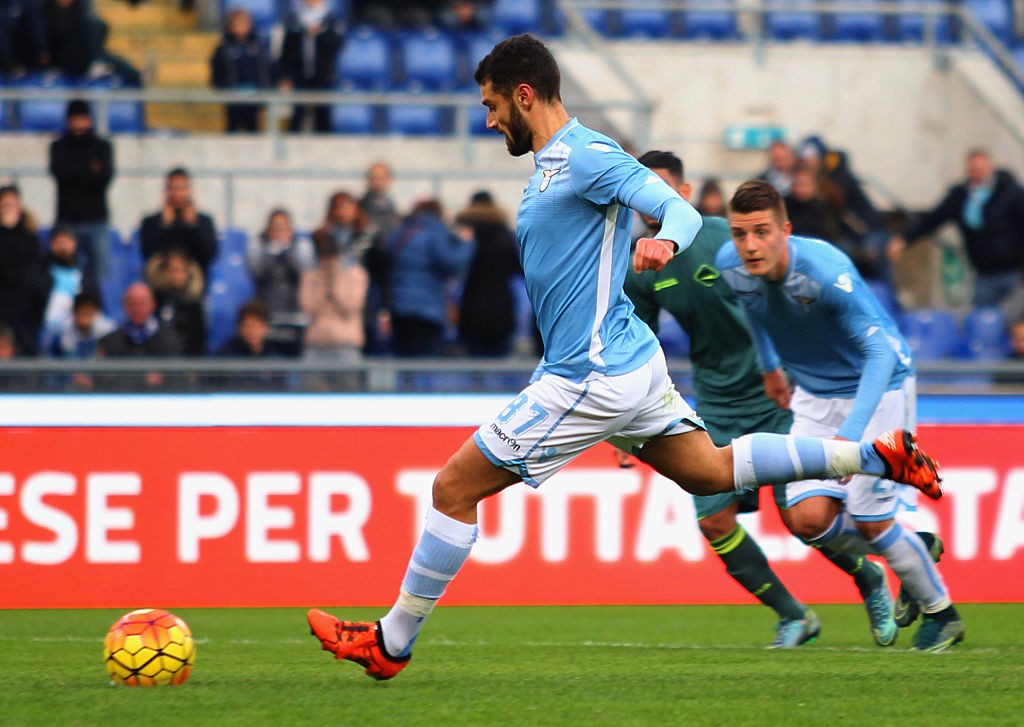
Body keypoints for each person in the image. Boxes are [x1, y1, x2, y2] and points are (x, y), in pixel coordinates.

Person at [306, 34, 943, 680]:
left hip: (590, 374)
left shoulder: (588, 155)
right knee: (711, 471)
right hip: (624, 363)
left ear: (525, 95)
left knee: (452, 487)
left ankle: (391, 642)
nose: (490, 118)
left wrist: (664, 240)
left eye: (494, 104)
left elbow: (679, 211)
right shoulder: (554, 163)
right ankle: (869, 456)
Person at [624, 150, 896, 648]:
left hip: (774, 392)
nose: (651, 203)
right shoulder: (639, 262)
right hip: (715, 400)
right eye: (642, 192)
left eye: (661, 191)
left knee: (801, 518)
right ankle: (793, 615)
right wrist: (627, 419)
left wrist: (785, 367)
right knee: (714, 520)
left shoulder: (723, 240)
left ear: (684, 195)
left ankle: (869, 576)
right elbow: (635, 340)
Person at [716, 178, 963, 653]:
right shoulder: (731, 266)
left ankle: (942, 615)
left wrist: (848, 441)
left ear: (785, 230)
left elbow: (879, 352)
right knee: (806, 519)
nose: (749, 245)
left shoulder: (825, 272)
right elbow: (755, 313)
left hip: (880, 389)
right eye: (740, 233)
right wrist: (770, 367)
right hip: (812, 393)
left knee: (872, 523)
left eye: (762, 232)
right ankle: (916, 548)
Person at [888, 149, 1024, 308]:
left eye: (980, 169)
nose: (977, 174)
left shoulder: (1010, 192)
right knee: (982, 321)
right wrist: (904, 238)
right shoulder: (961, 197)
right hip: (983, 273)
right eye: (973, 170)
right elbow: (933, 218)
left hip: (1013, 273)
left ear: (990, 168)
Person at [386, 199, 473, 357]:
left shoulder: (399, 233)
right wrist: (466, 244)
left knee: (403, 359)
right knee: (423, 360)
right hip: (427, 308)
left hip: (398, 306)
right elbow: (452, 264)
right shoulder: (435, 234)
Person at [797, 135, 889, 281]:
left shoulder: (837, 179)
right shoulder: (804, 186)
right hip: (845, 235)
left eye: (812, 157)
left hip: (866, 230)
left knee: (875, 262)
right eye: (805, 158)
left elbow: (841, 207)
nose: (809, 162)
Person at [48, 98, 114, 283]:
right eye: (74, 118)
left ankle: (98, 310)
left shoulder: (102, 146)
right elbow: (60, 173)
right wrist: (88, 168)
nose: (78, 123)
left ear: (89, 120)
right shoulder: (58, 146)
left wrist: (75, 170)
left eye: (81, 118)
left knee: (100, 277)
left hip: (97, 221)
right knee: (63, 273)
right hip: (67, 222)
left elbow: (105, 177)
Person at [454, 190, 522, 357]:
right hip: (501, 307)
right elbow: (520, 268)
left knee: (475, 365)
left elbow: (455, 267)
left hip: (472, 306)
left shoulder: (465, 236)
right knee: (499, 364)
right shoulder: (506, 236)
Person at [298, 235, 368, 387]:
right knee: (309, 393)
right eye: (324, 257)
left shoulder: (355, 275)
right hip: (316, 346)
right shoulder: (311, 277)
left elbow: (350, 307)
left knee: (349, 394)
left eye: (332, 256)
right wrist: (323, 283)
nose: (328, 262)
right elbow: (309, 308)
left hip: (346, 346)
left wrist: (336, 281)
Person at [247, 207, 315, 355]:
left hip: (296, 317)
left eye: (284, 228)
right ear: (268, 230)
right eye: (275, 228)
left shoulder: (302, 247)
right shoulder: (258, 246)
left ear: (291, 231)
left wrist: (287, 253)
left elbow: (305, 275)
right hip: (269, 317)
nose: (279, 233)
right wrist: (271, 254)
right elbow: (256, 274)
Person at [96, 281, 184, 390]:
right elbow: (102, 380)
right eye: (132, 304)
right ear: (124, 306)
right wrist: (141, 380)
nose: (137, 309)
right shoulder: (109, 342)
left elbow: (178, 380)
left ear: (153, 305)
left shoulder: (170, 341)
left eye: (142, 303)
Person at [276, 0, 345, 133]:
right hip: (299, 75)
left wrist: (320, 33)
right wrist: (285, 75)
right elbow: (287, 51)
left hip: (323, 75)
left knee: (323, 115)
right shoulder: (294, 18)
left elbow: (337, 45)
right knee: (297, 115)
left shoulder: (331, 18)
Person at [139, 168, 219, 281]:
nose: (178, 193)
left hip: (193, 283)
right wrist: (164, 227)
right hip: (160, 281)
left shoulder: (203, 222)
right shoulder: (151, 222)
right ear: (166, 191)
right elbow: (149, 255)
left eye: (182, 188)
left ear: (190, 191)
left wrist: (193, 227)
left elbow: (209, 255)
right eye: (174, 188)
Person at [0, 185, 51, 356]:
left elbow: (32, 270)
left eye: (12, 205)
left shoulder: (30, 238)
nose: (9, 210)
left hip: (25, 309)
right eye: (5, 205)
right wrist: (6, 231)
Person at [210, 7, 274, 133]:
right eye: (237, 24)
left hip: (254, 91)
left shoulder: (257, 44)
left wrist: (267, 86)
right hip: (233, 91)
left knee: (253, 126)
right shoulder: (224, 46)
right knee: (232, 126)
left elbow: (265, 67)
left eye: (244, 24)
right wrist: (221, 87)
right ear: (230, 26)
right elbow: (217, 68)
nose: (241, 28)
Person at [42, 289, 114, 390]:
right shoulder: (60, 331)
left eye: (89, 312)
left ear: (96, 312)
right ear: (74, 312)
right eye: (81, 312)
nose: (85, 317)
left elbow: (110, 365)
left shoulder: (108, 331)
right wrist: (70, 377)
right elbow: (49, 363)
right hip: (65, 386)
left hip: (98, 387)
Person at [147, 247, 207, 357]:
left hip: (185, 363)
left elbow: (197, 341)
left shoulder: (194, 306)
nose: (176, 275)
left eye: (180, 270)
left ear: (188, 273)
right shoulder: (155, 300)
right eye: (172, 270)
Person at [40, 225, 95, 346]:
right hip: (49, 328)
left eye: (67, 241)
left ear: (75, 244)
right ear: (51, 245)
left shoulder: (86, 276)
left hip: (79, 327)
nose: (63, 246)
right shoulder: (39, 274)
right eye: (59, 242)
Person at [784, 161, 841, 244]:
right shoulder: (784, 205)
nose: (800, 189)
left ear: (814, 186)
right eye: (797, 184)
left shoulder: (823, 208)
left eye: (805, 185)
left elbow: (830, 235)